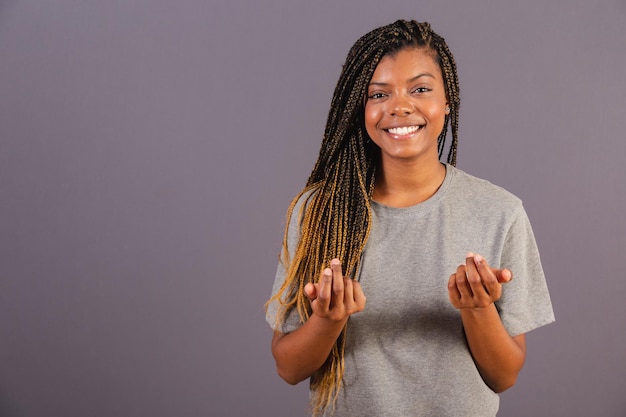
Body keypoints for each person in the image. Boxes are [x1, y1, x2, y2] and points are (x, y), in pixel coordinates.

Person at [265, 19, 554, 417]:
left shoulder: (499, 212)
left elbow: (504, 376)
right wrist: (327, 321)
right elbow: (288, 367)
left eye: (420, 89)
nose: (399, 106)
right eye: (378, 94)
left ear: (447, 99)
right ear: (358, 108)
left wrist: (478, 309)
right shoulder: (319, 212)